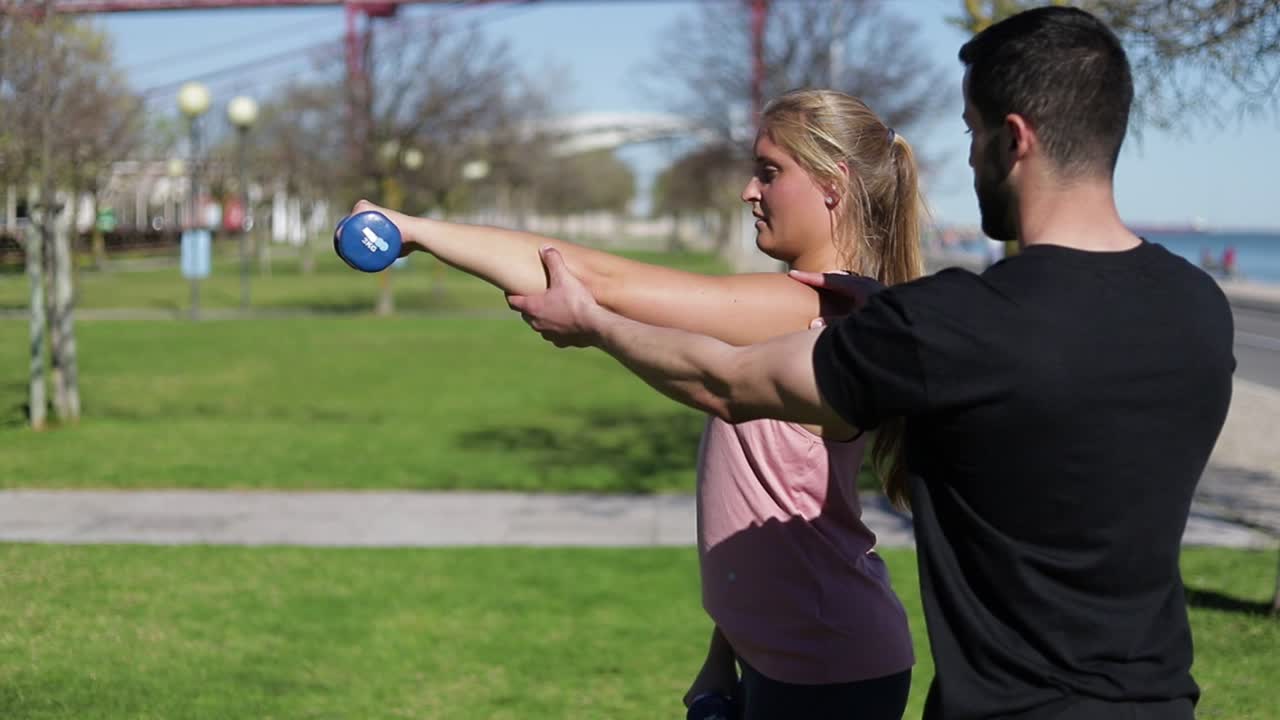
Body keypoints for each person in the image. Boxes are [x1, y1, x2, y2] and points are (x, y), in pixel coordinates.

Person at [507, 7, 1235, 720]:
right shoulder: (1199, 309)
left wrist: (594, 324)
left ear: (1013, 141)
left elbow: (729, 383)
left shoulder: (961, 323)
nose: (971, 157)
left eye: (973, 134)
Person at [351, 89, 921, 719]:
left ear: (833, 184)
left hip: (825, 668)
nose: (747, 192)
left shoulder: (821, 309)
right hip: (783, 655)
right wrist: (723, 653)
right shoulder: (795, 305)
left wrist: (414, 230)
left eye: (769, 171)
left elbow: (603, 284)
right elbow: (776, 512)